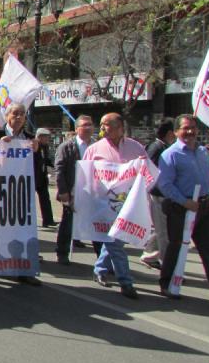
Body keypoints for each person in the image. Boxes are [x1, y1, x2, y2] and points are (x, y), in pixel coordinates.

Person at [156, 115, 209, 303]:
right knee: (175, 247)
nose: (190, 131)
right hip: (180, 209)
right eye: (185, 128)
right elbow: (165, 185)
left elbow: (207, 177)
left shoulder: (201, 152)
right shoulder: (170, 155)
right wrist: (184, 202)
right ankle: (167, 284)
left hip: (204, 207)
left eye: (193, 127)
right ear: (176, 132)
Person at [83, 112, 146, 299]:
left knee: (115, 239)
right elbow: (85, 179)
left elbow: (146, 173)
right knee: (114, 243)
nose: (103, 128)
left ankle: (100, 268)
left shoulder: (136, 148)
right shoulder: (94, 150)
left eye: (107, 124)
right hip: (103, 206)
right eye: (101, 124)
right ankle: (126, 281)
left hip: (127, 205)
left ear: (120, 127)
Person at [0, 103, 41, 286]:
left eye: (22, 113)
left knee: (22, 229)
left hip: (21, 193)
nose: (19, 117)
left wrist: (36, 152)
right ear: (7, 116)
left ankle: (24, 269)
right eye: (15, 113)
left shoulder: (30, 139)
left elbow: (37, 168)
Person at [53, 115, 95, 265]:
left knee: (95, 224)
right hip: (72, 191)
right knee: (68, 222)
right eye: (84, 125)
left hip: (91, 192)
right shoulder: (66, 146)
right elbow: (59, 169)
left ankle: (103, 259)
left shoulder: (96, 146)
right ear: (77, 129)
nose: (88, 128)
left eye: (90, 125)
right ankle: (62, 252)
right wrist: (63, 191)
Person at [142, 118, 176, 269]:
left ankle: (149, 255)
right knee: (164, 233)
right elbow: (149, 172)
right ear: (169, 133)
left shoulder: (165, 147)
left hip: (166, 195)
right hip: (157, 196)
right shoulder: (156, 148)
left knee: (163, 229)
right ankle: (167, 266)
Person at [34, 128, 56, 228]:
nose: (48, 139)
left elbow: (46, 159)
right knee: (29, 200)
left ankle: (48, 220)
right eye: (46, 137)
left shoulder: (45, 147)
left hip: (42, 177)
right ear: (39, 137)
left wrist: (54, 165)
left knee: (45, 199)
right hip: (34, 176)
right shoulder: (34, 146)